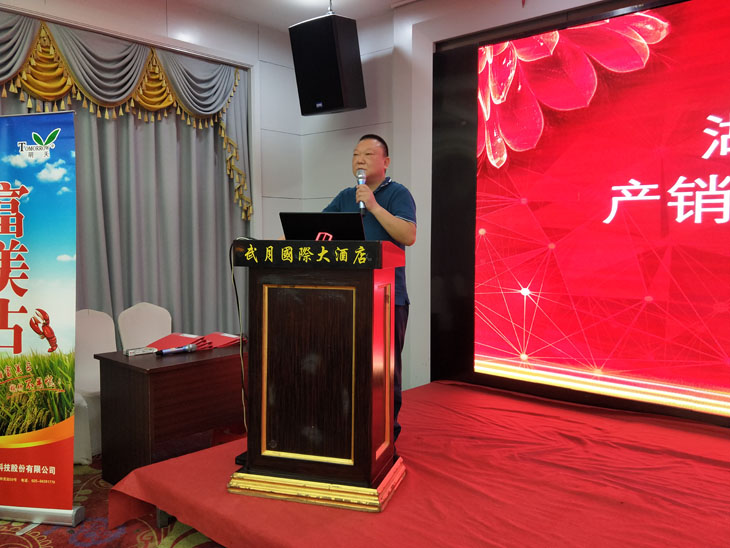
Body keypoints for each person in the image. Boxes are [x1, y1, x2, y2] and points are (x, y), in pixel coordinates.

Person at [323, 134, 416, 452]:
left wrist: (373, 206)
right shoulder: (345, 197)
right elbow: (313, 230)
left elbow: (408, 234)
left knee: (383, 373)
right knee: (347, 368)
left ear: (385, 162)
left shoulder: (398, 193)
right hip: (348, 298)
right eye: (355, 154)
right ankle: (348, 435)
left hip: (388, 297)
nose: (359, 159)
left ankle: (385, 440)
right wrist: (272, 243)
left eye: (367, 154)